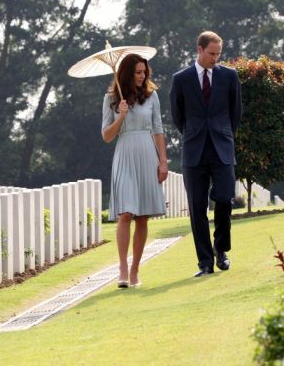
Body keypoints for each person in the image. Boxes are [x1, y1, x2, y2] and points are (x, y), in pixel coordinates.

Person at [169, 31, 242, 278]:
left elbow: (236, 112)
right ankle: (205, 262)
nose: (215, 58)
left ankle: (221, 249)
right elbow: (178, 116)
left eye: (218, 54)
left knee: (224, 198)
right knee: (196, 208)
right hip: (194, 150)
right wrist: (194, 133)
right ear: (199, 50)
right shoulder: (181, 79)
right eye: (211, 53)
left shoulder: (230, 76)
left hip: (222, 147)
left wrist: (223, 134)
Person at [101, 53, 168, 288]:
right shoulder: (111, 98)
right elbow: (107, 136)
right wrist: (120, 116)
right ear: (127, 74)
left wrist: (163, 161)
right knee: (125, 214)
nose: (142, 76)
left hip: (147, 155)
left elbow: (158, 130)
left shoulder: (152, 97)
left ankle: (135, 270)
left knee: (142, 216)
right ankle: (122, 267)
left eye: (144, 72)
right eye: (138, 72)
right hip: (124, 155)